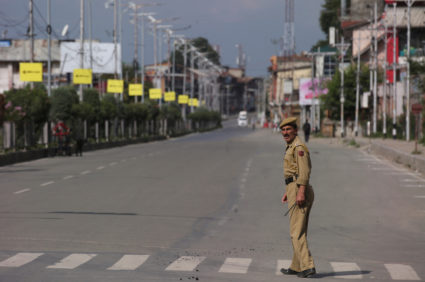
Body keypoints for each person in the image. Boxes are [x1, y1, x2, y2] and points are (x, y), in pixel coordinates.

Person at [279, 117, 316, 278]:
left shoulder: (299, 147)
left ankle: (308, 266)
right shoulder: (291, 146)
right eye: (283, 130)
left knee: (296, 232)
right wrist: (290, 191)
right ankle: (296, 265)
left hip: (300, 189)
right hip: (294, 187)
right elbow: (294, 171)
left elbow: (305, 171)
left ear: (295, 130)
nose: (285, 133)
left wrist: (300, 191)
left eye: (288, 129)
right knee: (297, 230)